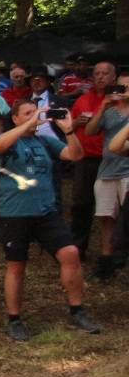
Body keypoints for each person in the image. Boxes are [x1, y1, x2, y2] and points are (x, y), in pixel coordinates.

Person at [0, 99, 100, 340]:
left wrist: (69, 130)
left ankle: (76, 311)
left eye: (36, 112)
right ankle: (14, 319)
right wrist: (28, 123)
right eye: (28, 113)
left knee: (70, 253)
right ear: (15, 118)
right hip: (15, 213)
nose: (35, 116)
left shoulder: (45, 141)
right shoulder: (10, 139)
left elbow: (76, 155)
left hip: (46, 212)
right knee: (16, 265)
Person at [83, 73, 129, 280]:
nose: (123, 89)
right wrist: (102, 106)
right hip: (107, 170)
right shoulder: (110, 111)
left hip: (126, 170)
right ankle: (106, 264)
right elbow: (89, 131)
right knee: (105, 217)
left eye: (127, 86)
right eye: (120, 86)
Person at [70, 61, 117, 260]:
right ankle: (78, 248)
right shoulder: (82, 100)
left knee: (111, 208)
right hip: (85, 159)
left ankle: (115, 250)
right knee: (81, 204)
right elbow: (69, 126)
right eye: (97, 73)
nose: (100, 77)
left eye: (105, 73)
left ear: (113, 77)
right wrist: (76, 122)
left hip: (111, 160)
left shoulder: (118, 101)